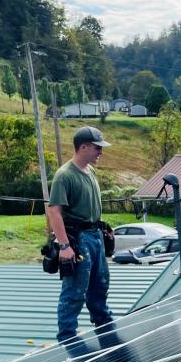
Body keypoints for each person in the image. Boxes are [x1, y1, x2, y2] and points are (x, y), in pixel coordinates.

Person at [47, 126, 117, 345]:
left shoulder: (90, 171)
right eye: (97, 148)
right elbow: (54, 211)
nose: (100, 152)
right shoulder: (64, 175)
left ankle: (103, 323)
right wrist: (65, 246)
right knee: (75, 288)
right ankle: (67, 337)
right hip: (78, 238)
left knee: (100, 283)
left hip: (95, 234)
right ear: (83, 147)